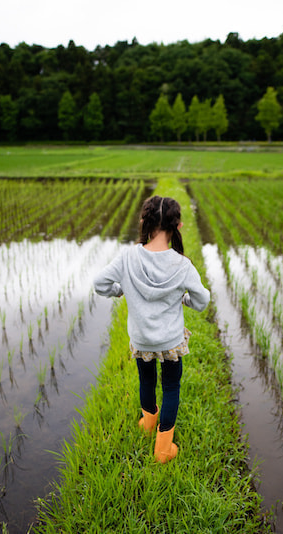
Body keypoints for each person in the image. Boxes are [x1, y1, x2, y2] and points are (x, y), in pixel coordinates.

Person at [93, 195, 210, 463]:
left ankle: (147, 424)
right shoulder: (182, 265)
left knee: (146, 381)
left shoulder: (128, 257)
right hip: (170, 340)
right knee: (171, 386)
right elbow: (202, 300)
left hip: (142, 339)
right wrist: (185, 300)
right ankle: (163, 448)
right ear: (178, 226)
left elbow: (100, 284)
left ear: (143, 221)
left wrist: (121, 289)